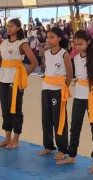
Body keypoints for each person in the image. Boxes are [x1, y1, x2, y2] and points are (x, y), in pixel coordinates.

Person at [56, 30, 93, 174]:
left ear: (88, 42)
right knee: (75, 125)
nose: (78, 46)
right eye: (76, 44)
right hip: (79, 94)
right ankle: (72, 155)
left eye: (81, 44)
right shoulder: (76, 57)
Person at [0, 18, 38, 149]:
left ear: (18, 28)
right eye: (8, 26)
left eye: (12, 26)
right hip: (3, 79)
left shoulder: (22, 43)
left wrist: (23, 76)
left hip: (15, 81)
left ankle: (16, 140)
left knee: (15, 109)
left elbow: (34, 62)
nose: (9, 28)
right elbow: (1, 59)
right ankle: (7, 138)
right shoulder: (3, 43)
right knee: (5, 109)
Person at [37, 27, 73, 160]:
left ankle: (63, 148)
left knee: (59, 119)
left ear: (59, 38)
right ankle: (48, 146)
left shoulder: (64, 54)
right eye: (48, 37)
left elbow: (70, 74)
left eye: (52, 37)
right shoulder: (46, 53)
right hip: (46, 87)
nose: (49, 40)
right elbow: (47, 70)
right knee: (46, 118)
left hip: (58, 89)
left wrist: (64, 88)